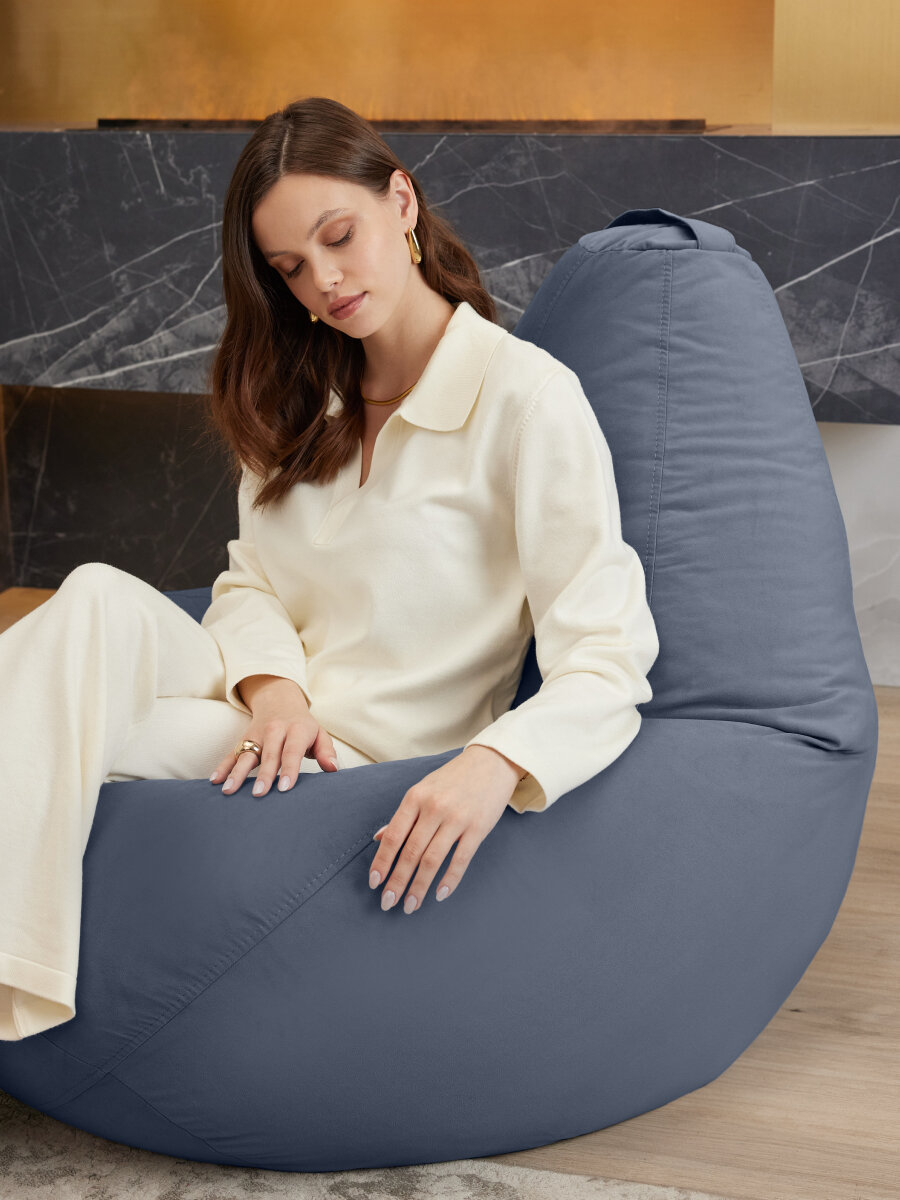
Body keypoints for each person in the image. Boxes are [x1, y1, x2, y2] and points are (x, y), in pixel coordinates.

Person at [0, 95, 659, 1041]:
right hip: (268, 721)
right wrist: (276, 695)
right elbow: (250, 585)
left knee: (35, 719)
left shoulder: (528, 401)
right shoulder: (299, 396)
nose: (325, 282)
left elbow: (608, 655)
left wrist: (492, 764)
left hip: (357, 767)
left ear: (402, 201)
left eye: (339, 236)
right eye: (291, 269)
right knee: (93, 600)